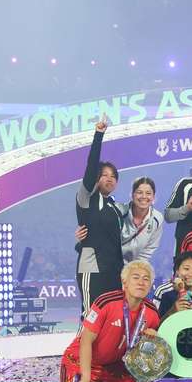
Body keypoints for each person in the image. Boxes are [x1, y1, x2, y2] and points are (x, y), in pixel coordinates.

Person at [75, 119, 123, 316]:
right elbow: (91, 165)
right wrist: (98, 135)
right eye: (104, 174)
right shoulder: (86, 198)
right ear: (96, 178)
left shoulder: (117, 208)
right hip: (92, 267)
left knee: (110, 317)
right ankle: (79, 349)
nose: (109, 178)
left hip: (114, 269)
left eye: (113, 176)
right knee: (91, 316)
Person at [75, 177, 163, 279]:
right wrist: (84, 234)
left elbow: (147, 251)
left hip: (129, 271)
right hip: (104, 266)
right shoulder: (118, 211)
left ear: (154, 197)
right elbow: (97, 225)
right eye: (139, 192)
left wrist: (132, 273)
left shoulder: (157, 219)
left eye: (148, 193)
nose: (144, 196)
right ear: (132, 195)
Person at [152, 251, 192, 362]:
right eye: (186, 269)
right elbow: (153, 326)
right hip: (167, 353)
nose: (190, 274)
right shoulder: (163, 292)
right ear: (177, 271)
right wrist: (173, 310)